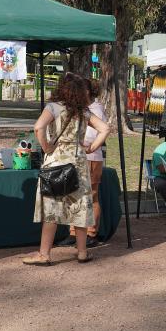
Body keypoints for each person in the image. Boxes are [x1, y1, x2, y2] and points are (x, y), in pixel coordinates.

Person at [23, 73, 110, 266]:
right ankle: (82, 252)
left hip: (56, 160)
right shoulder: (84, 112)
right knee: (79, 207)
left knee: (52, 207)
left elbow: (38, 127)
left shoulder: (53, 107)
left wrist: (46, 147)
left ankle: (44, 254)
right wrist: (91, 148)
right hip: (78, 161)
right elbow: (105, 128)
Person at [61, 78, 105, 248]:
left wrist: (87, 146)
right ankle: (74, 233)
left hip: (91, 157)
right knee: (74, 195)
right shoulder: (79, 109)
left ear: (87, 91)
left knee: (91, 195)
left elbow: (95, 134)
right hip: (77, 157)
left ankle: (91, 233)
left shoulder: (95, 109)